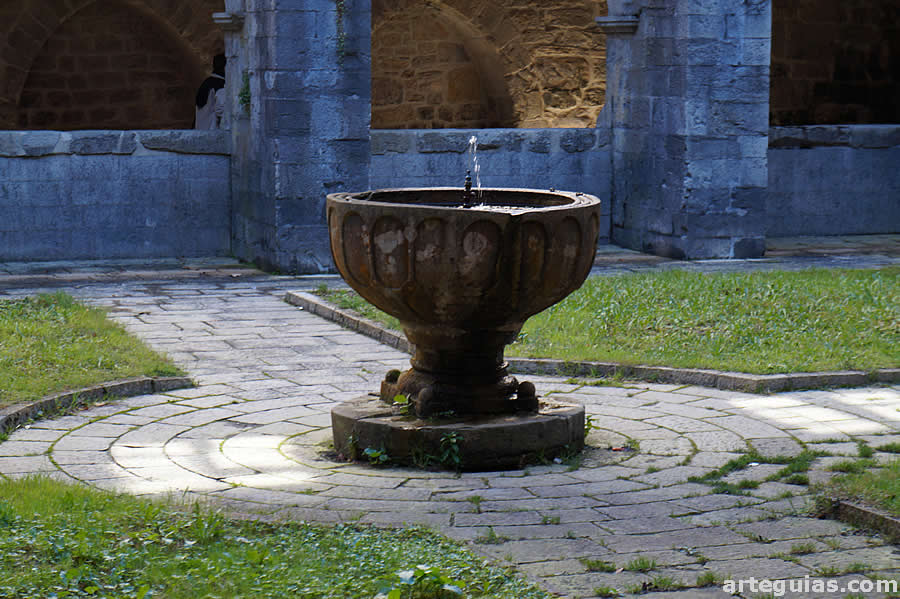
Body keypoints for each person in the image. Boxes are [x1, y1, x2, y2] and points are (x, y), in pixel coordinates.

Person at [195, 54, 226, 129]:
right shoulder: (220, 85)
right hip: (211, 129)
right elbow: (220, 110)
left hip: (200, 128)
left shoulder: (207, 82)